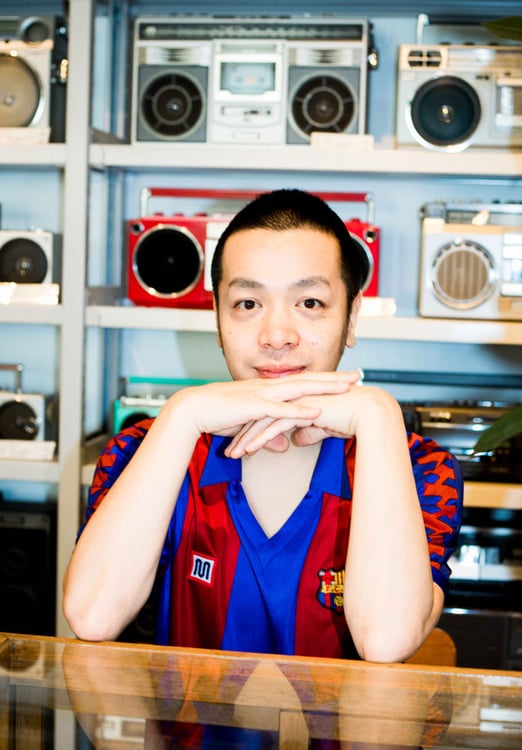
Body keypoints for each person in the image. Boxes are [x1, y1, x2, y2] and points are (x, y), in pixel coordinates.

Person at [63, 188, 463, 663]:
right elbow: (92, 616)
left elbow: (386, 641)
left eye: (309, 302)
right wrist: (183, 413)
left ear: (351, 317)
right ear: (217, 319)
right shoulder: (146, 449)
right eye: (247, 304)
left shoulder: (418, 468)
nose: (276, 336)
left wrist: (378, 417)